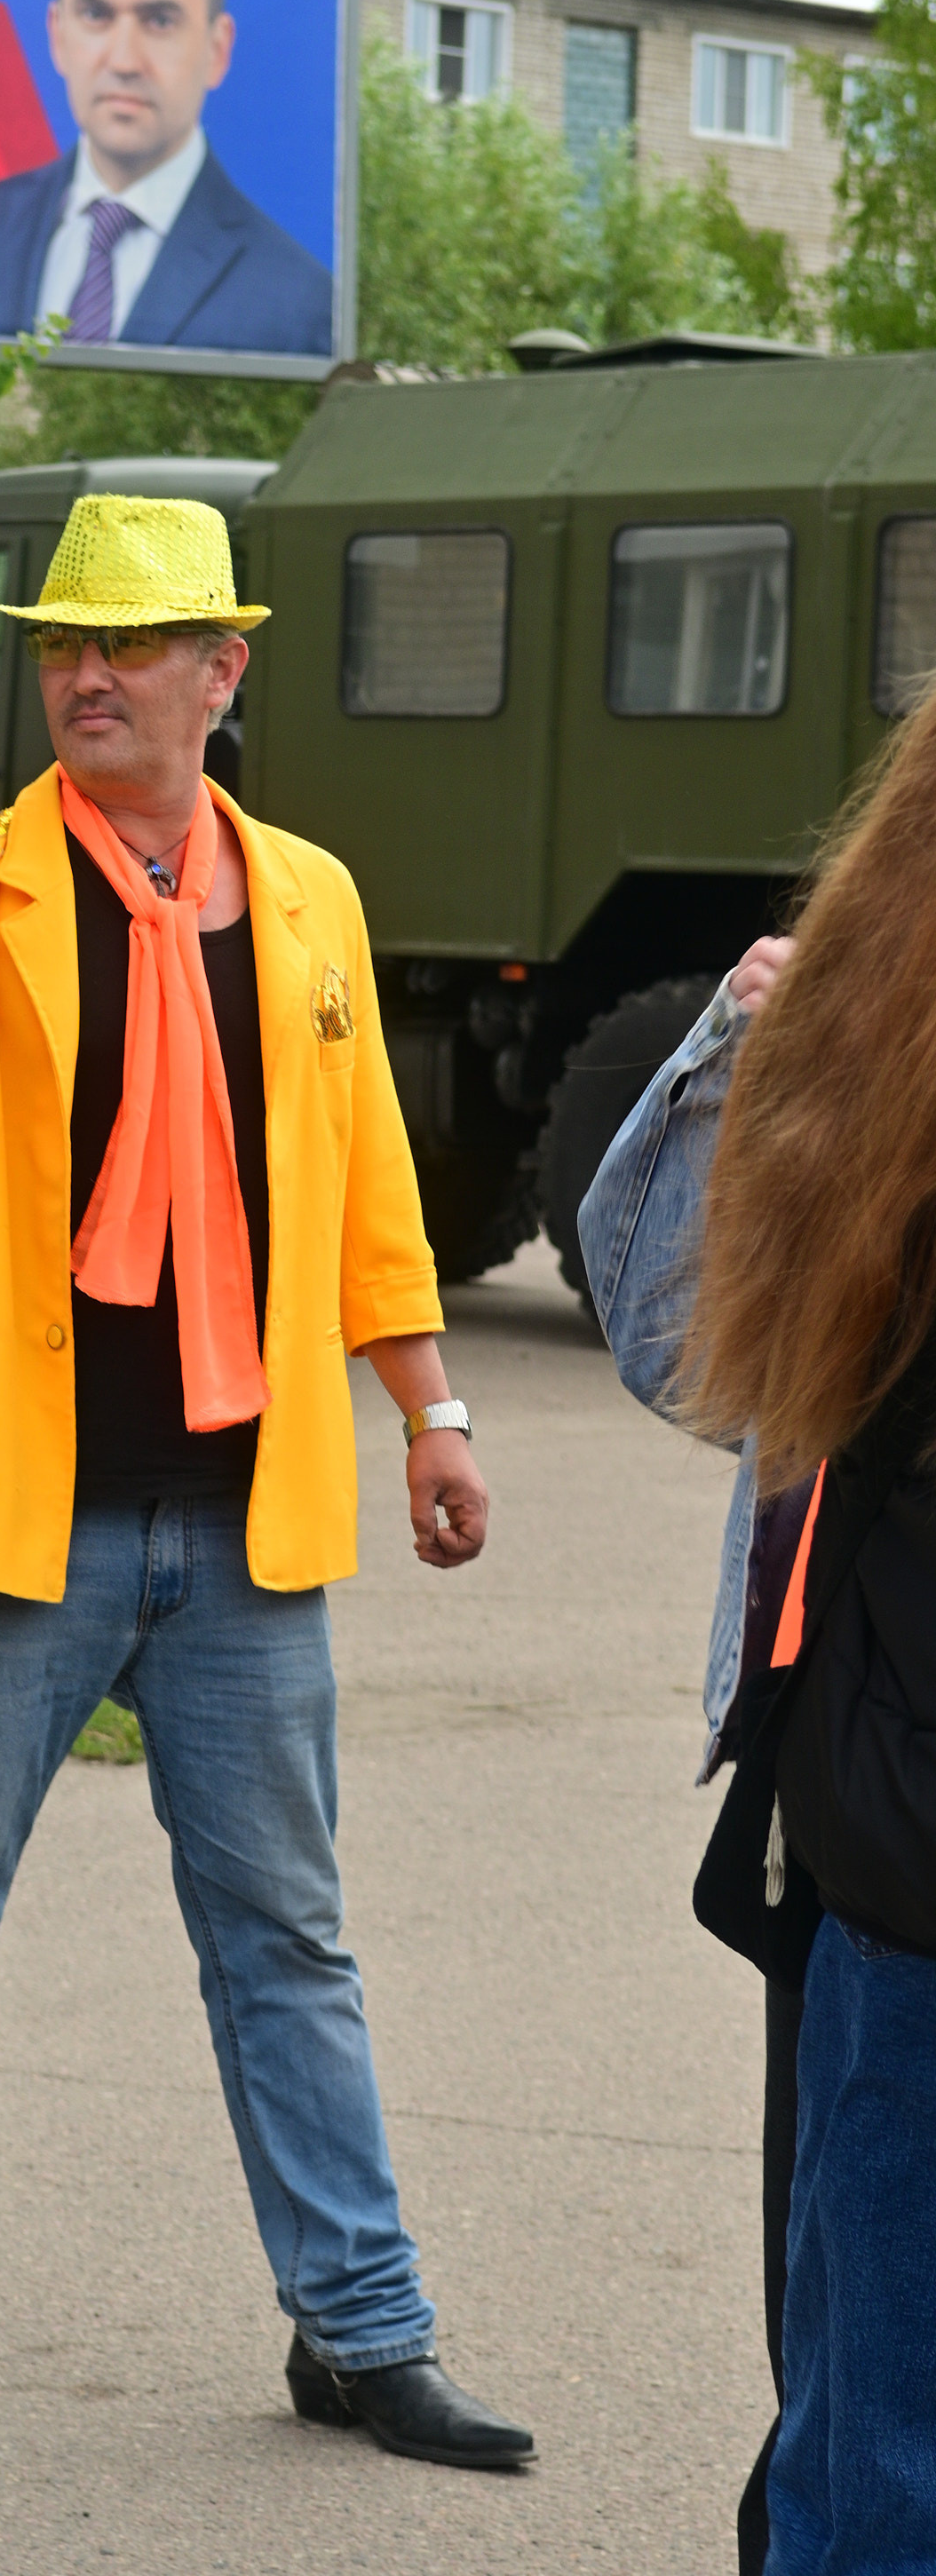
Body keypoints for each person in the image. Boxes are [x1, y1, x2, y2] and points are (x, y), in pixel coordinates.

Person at [0, 493, 533, 2471]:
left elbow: (366, 1182)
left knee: (290, 1947)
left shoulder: (310, 897)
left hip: (245, 1525)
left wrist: (432, 1410)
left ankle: (360, 2333)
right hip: (17, 1520)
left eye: (128, 643)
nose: (86, 677)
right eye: (62, 646)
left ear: (220, 669)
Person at [578, 933, 802, 2576]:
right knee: (851, 2332)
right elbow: (670, 1332)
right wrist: (733, 1046)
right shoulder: (876, 1125)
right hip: (865, 1819)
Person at [0, 0, 332, 357]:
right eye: (95, 14)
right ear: (58, 35)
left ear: (217, 49)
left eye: (159, 21)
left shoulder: (298, 300)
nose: (123, 61)